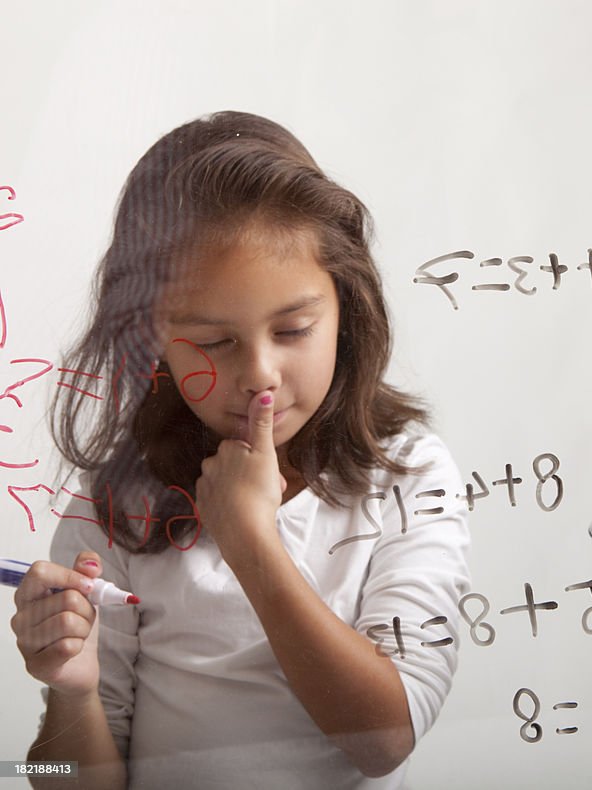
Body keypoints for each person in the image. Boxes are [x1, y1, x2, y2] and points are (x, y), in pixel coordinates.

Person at [10, 112, 471, 789]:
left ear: (346, 308)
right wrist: (72, 691)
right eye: (215, 342)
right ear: (152, 337)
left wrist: (252, 544)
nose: (259, 373)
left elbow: (385, 741)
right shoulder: (117, 509)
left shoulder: (408, 475)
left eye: (292, 329)